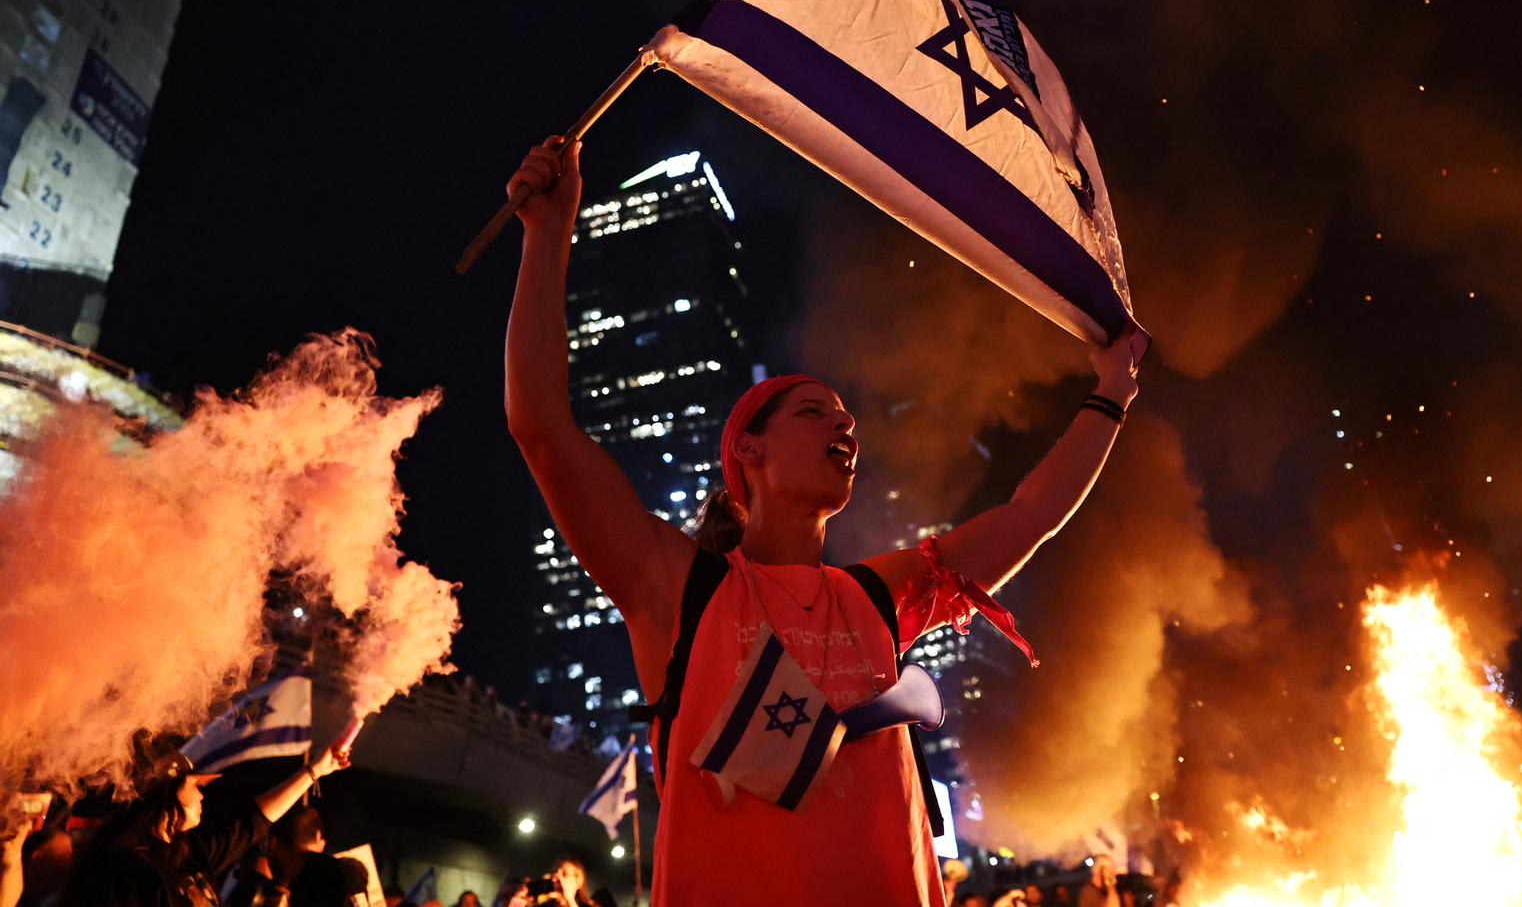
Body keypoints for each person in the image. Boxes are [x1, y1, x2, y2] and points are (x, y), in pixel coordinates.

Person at [504, 140, 1140, 906]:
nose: (846, 426)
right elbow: (543, 428)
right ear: (748, 450)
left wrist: (1113, 391)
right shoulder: (677, 586)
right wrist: (548, 235)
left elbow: (1030, 515)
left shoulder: (876, 597)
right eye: (814, 413)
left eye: (846, 418)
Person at [60, 733, 349, 907]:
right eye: (193, 785)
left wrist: (314, 771)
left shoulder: (189, 853)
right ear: (165, 796)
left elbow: (254, 820)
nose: (202, 794)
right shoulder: (127, 873)